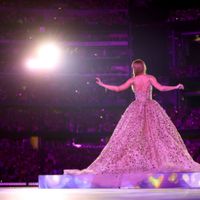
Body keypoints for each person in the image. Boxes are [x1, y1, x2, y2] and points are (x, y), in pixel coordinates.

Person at [64, 59, 200, 187]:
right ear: (144, 67)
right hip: (151, 107)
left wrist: (102, 84)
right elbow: (162, 88)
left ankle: (147, 163)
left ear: (134, 69)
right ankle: (151, 163)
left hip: (136, 109)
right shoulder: (149, 78)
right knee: (154, 136)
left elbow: (118, 89)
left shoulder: (133, 79)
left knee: (135, 137)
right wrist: (176, 86)